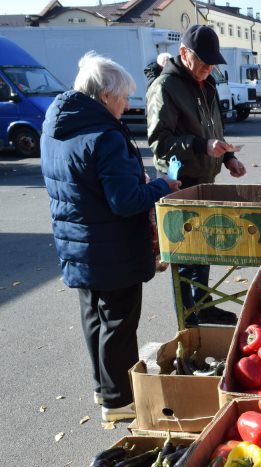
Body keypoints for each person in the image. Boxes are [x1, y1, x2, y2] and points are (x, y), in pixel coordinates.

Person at [41, 52, 182, 422]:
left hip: (77, 241)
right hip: (112, 246)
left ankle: (103, 388)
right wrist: (162, 186)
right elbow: (126, 201)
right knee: (119, 321)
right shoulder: (104, 137)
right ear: (105, 96)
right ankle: (119, 400)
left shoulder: (55, 129)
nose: (126, 106)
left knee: (94, 317)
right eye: (122, 99)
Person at [147, 24, 246, 326]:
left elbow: (214, 128)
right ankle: (188, 314)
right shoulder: (165, 87)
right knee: (187, 253)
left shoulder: (209, 83)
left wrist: (228, 156)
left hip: (205, 177)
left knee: (204, 249)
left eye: (211, 62)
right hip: (179, 182)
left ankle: (202, 305)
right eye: (202, 62)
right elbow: (159, 142)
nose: (207, 68)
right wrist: (203, 145)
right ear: (183, 54)